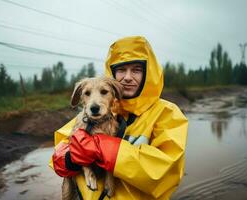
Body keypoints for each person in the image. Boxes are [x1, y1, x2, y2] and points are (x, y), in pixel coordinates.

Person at [49, 36, 188, 200]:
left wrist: (106, 149)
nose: (127, 77)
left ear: (149, 73)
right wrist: (69, 159)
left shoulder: (167, 113)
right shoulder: (97, 111)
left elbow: (166, 173)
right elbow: (59, 148)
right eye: (121, 70)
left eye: (136, 70)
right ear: (112, 74)